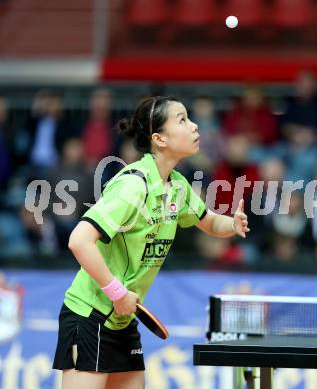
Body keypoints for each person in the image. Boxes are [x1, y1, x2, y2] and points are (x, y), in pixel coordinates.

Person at [53, 96, 250, 389]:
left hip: (122, 319)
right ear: (159, 139)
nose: (195, 126)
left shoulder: (177, 185)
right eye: (183, 120)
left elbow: (207, 221)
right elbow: (79, 241)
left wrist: (231, 225)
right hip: (89, 316)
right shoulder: (133, 185)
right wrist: (117, 293)